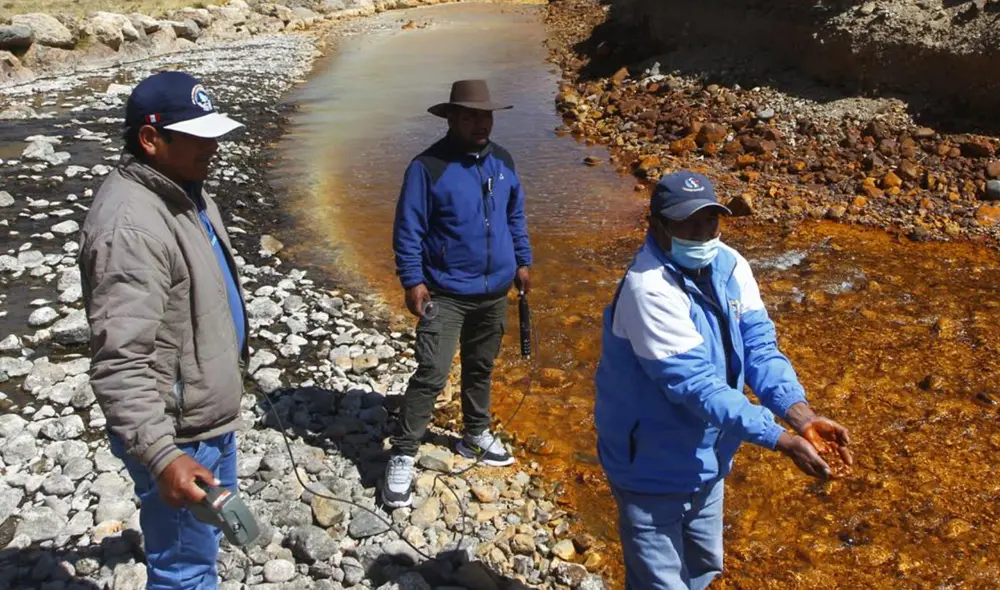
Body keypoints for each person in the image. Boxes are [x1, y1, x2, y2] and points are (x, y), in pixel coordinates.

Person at [594, 171, 852, 589]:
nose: (702, 235)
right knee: (659, 582)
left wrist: (802, 418)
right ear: (656, 225)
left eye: (710, 221)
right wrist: (780, 440)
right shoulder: (648, 289)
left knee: (703, 567)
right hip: (650, 464)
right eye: (687, 223)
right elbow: (698, 386)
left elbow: (759, 348)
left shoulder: (730, 265)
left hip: (709, 455)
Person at [80, 70, 248, 590]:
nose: (213, 145)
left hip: (207, 419)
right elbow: (120, 361)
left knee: (205, 550)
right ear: (151, 139)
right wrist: (161, 456)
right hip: (179, 436)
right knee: (184, 572)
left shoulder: (187, 193)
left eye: (214, 132)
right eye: (198, 135)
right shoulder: (130, 227)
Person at [383, 79, 533, 508]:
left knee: (481, 365)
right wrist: (412, 281)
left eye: (485, 115)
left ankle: (474, 434)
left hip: (495, 291)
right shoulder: (427, 167)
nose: (480, 123)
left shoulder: (503, 161)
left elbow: (515, 215)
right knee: (431, 371)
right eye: (470, 116)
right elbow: (408, 229)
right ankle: (404, 453)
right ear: (451, 118)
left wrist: (522, 262)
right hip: (445, 293)